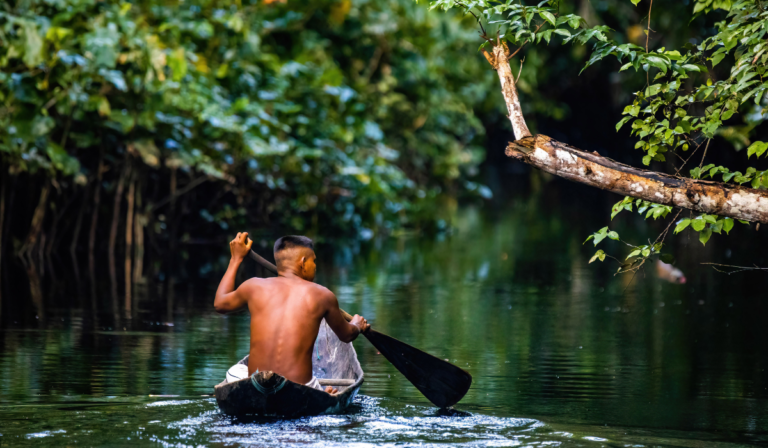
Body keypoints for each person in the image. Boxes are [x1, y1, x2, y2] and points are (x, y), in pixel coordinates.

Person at [213, 232, 370, 394]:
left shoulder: (253, 286)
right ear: (303, 262)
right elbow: (346, 335)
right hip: (301, 389)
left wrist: (235, 259)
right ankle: (322, 393)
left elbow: (220, 304)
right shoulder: (323, 295)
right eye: (313, 261)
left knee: (237, 370)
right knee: (315, 388)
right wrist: (357, 325)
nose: (315, 266)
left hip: (256, 385)